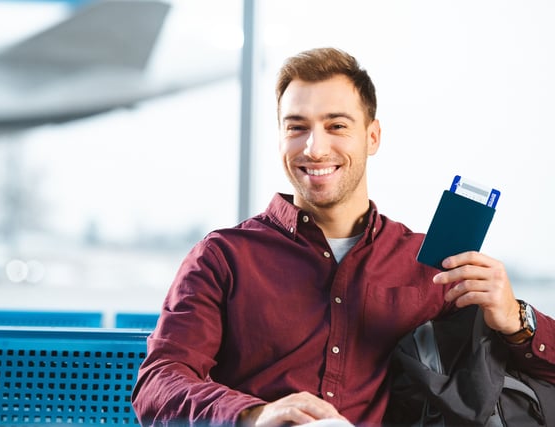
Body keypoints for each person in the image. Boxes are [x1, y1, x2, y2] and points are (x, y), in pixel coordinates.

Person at [131, 47, 555, 426]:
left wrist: (517, 321)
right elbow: (158, 382)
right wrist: (255, 414)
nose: (314, 148)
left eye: (336, 126)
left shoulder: (431, 266)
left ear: (372, 137)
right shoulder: (223, 257)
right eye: (296, 127)